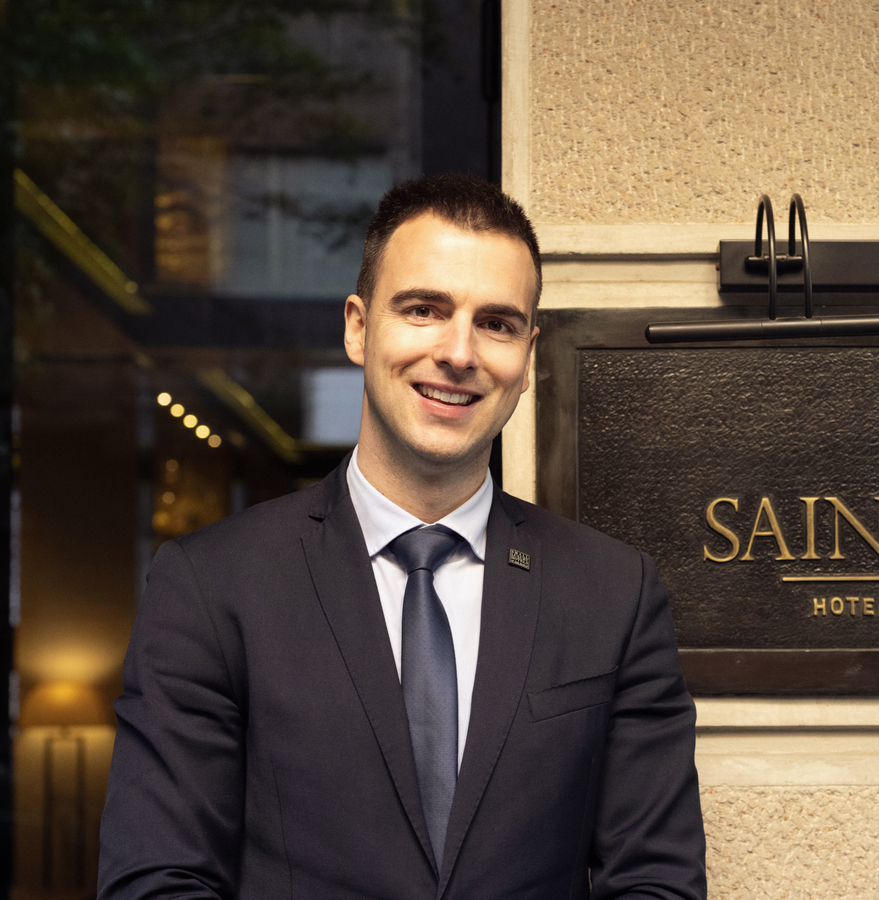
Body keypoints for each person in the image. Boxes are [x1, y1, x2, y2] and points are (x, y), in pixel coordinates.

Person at [97, 174, 706, 899]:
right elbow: (158, 880)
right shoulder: (212, 586)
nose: (459, 352)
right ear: (358, 327)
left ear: (528, 355)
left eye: (497, 323)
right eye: (424, 309)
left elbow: (657, 881)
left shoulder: (614, 595)